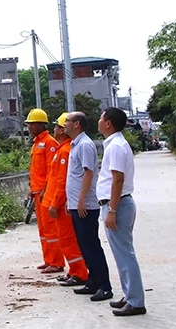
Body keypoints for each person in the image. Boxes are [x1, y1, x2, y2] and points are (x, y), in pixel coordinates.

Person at [96, 107, 147, 316]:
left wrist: (112, 210)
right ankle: (129, 295)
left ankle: (136, 301)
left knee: (125, 255)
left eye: (101, 117)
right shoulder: (114, 144)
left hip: (117, 204)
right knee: (121, 254)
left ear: (108, 123)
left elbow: (118, 180)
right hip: (115, 204)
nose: (98, 120)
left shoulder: (116, 146)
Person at [64, 111, 113, 302]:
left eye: (67, 121)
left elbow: (88, 174)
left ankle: (105, 286)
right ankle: (93, 281)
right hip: (77, 204)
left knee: (92, 246)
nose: (64, 124)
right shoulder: (75, 145)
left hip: (85, 205)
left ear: (77, 124)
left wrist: (82, 200)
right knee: (84, 246)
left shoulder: (84, 145)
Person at [42, 112, 90, 286]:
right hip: (59, 202)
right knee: (65, 240)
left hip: (61, 204)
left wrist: (55, 203)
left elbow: (62, 181)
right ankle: (74, 270)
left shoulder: (65, 151)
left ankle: (79, 273)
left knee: (68, 240)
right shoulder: (63, 149)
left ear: (63, 129)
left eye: (57, 126)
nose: (54, 129)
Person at [26, 108, 64, 274]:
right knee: (43, 230)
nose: (29, 127)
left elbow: (52, 170)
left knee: (50, 230)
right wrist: (32, 189)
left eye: (32, 124)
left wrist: (46, 189)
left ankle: (56, 262)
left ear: (41, 125)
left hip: (45, 193)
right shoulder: (36, 143)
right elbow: (36, 170)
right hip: (37, 192)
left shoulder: (49, 143)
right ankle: (48, 260)